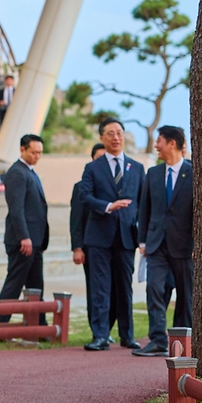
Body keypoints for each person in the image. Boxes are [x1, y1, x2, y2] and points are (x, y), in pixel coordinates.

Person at [78, 118, 145, 352]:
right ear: (101, 138)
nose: (115, 137)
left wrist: (143, 235)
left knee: (124, 288)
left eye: (119, 133)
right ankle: (100, 335)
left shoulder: (136, 168)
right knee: (100, 288)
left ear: (124, 136)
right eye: (110, 133)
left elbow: (143, 203)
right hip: (99, 237)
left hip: (127, 237)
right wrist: (109, 206)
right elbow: (84, 197)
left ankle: (127, 335)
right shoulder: (92, 168)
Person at [134, 126, 193, 357]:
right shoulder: (153, 174)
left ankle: (182, 342)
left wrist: (197, 244)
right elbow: (144, 209)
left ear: (172, 143)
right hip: (156, 244)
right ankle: (157, 340)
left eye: (159, 141)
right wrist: (142, 240)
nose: (156, 145)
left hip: (185, 245)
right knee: (154, 289)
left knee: (185, 295)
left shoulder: (194, 173)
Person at [0, 134, 48, 326]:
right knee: (14, 285)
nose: (37, 156)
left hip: (35, 240)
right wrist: (24, 236)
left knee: (36, 286)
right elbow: (16, 209)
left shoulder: (30, 172)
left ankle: (40, 327)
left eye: (40, 153)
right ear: (22, 150)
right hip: (23, 241)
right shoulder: (17, 172)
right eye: (33, 152)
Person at [70, 143, 118, 341]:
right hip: (92, 246)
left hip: (115, 245)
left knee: (114, 290)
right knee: (96, 290)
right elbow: (76, 219)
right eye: (99, 159)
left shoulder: (116, 184)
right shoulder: (81, 187)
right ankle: (98, 331)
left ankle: (108, 329)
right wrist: (77, 247)